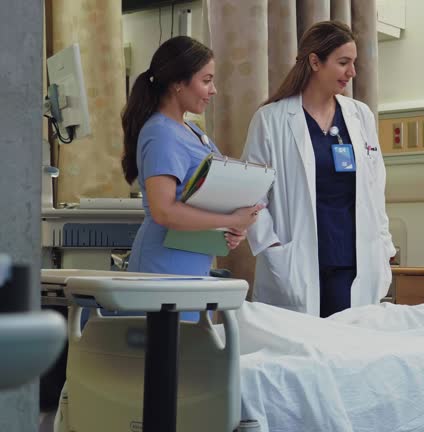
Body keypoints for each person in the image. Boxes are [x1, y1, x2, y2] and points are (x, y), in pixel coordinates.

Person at [242, 21, 395, 318]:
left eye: (354, 63)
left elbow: (376, 189)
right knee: (303, 355)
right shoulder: (271, 119)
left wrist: (385, 248)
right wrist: (271, 246)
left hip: (355, 260)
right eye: (343, 63)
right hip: (296, 261)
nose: (352, 72)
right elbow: (251, 196)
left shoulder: (359, 116)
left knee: (350, 353)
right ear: (314, 61)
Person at [121, 36, 262, 281]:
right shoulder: (161, 133)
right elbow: (164, 211)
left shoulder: (191, 130)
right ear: (178, 82)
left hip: (192, 262)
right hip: (163, 267)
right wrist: (231, 219)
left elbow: (200, 199)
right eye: (206, 80)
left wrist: (229, 228)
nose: (214, 90)